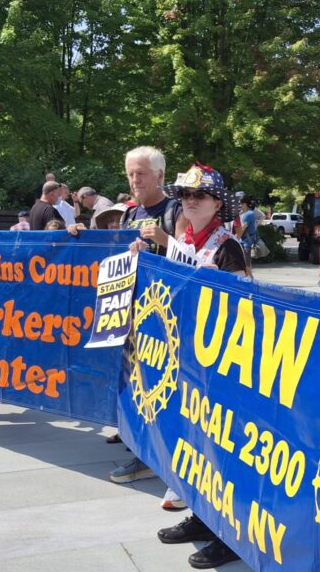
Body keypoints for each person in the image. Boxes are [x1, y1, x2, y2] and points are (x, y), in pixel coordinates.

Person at [136, 163, 246, 570]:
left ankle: (229, 534)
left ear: (217, 202)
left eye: (198, 195)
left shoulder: (226, 244)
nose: (189, 201)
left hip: (221, 363)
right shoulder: (183, 236)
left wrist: (224, 285)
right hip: (190, 357)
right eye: (183, 195)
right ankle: (203, 516)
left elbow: (245, 306)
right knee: (196, 443)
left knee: (222, 449)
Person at [110, 146, 183, 479]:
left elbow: (190, 260)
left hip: (166, 319)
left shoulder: (175, 211)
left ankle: (152, 454)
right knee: (136, 379)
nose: (134, 180)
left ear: (160, 176)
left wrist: (165, 240)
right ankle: (138, 442)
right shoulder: (129, 215)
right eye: (130, 173)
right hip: (133, 314)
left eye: (140, 173)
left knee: (159, 385)